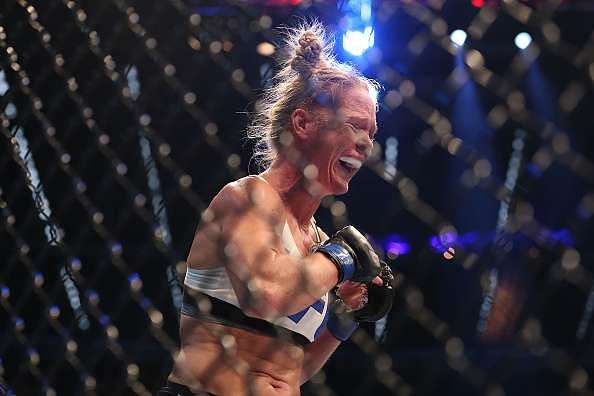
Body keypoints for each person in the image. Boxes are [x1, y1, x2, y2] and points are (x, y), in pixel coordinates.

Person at [158, 22, 395, 396]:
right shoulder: (246, 198)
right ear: (302, 123)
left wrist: (342, 321)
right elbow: (264, 295)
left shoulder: (315, 240)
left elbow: (292, 368)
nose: (366, 144)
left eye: (372, 133)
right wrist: (340, 257)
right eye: (354, 126)